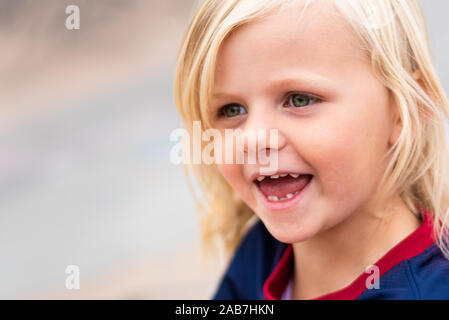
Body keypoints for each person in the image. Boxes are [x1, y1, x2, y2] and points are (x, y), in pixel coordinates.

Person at [173, 0, 449, 299]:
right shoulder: (263, 251)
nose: (252, 139)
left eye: (299, 99)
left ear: (405, 107)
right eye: (231, 109)